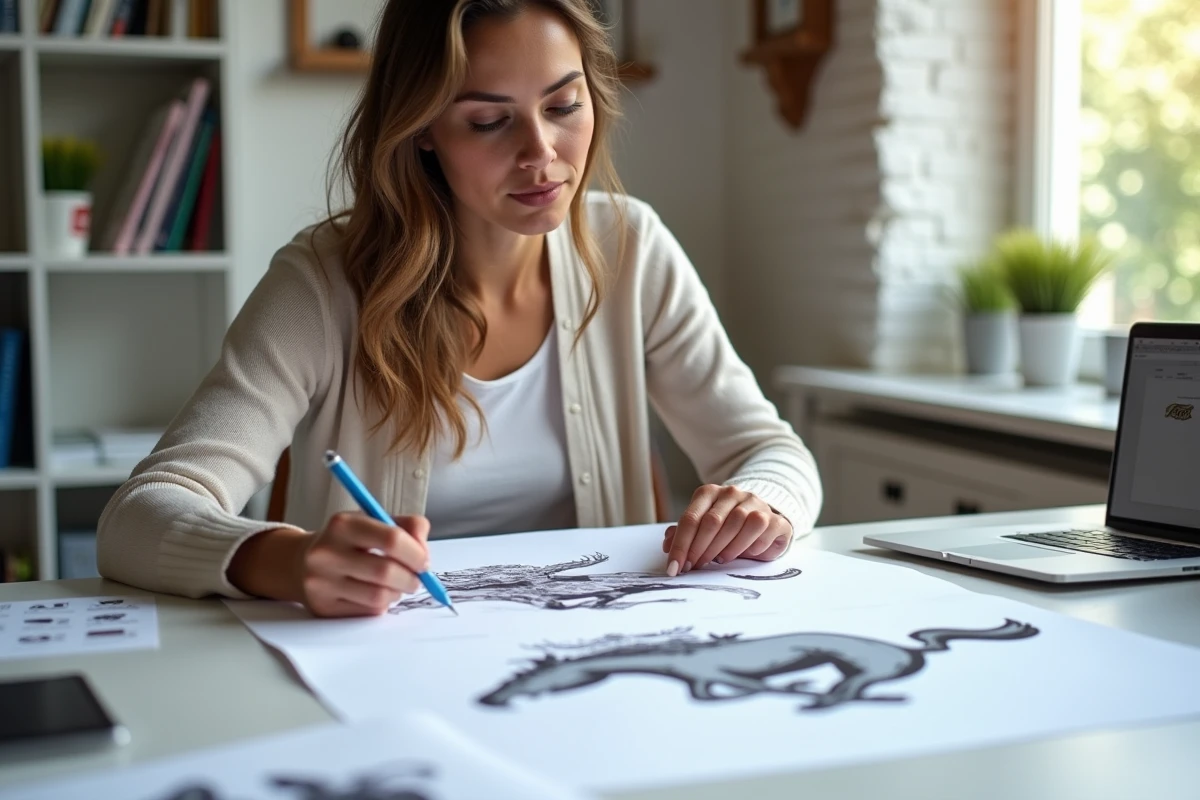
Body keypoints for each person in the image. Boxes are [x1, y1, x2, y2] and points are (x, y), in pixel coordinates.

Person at [96, 0, 822, 618]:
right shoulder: (322, 281)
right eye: (487, 121)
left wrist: (759, 502)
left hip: (594, 659)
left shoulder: (631, 247)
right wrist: (285, 559)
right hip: (383, 678)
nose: (543, 153)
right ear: (421, 131)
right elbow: (139, 516)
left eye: (564, 106)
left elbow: (774, 452)